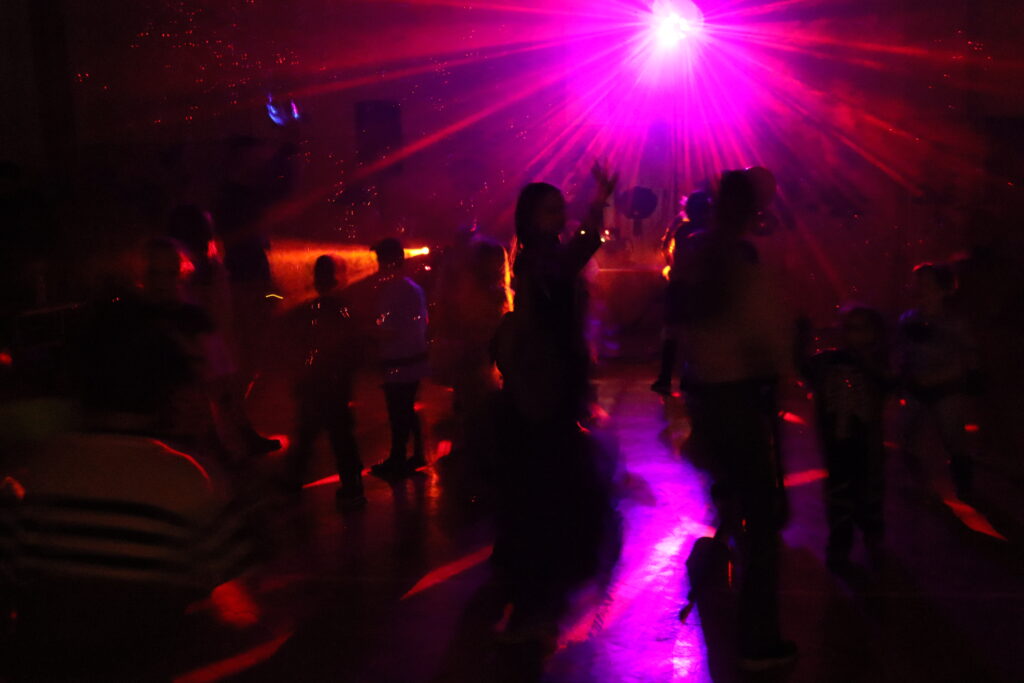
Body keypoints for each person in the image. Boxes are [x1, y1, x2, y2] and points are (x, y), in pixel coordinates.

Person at [0, 295, 251, 679]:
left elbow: (13, 571)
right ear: (165, 389)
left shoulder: (38, 470)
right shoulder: (183, 479)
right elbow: (226, 588)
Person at [491, 161, 620, 646]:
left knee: (547, 483)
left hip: (553, 381)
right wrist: (596, 206)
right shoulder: (537, 261)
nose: (559, 217)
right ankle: (534, 598)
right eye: (550, 211)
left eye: (559, 209)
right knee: (546, 485)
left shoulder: (546, 257)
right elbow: (566, 273)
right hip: (543, 384)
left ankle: (532, 590)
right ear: (530, 217)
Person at [675, 169, 796, 671]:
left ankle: (717, 599)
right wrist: (783, 373)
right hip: (741, 396)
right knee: (763, 519)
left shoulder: (697, 252)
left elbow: (680, 322)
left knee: (731, 494)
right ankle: (757, 639)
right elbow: (764, 331)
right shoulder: (744, 258)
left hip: (705, 393)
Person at [166, 206, 280, 457]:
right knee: (213, 397)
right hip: (203, 341)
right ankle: (221, 448)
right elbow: (203, 305)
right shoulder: (190, 266)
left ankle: (233, 441)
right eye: (206, 227)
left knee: (223, 395)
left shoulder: (205, 263)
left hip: (212, 339)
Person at [797, 306, 891, 571]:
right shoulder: (828, 361)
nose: (853, 334)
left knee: (869, 492)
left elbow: (890, 382)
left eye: (860, 328)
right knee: (839, 495)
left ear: (874, 333)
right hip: (836, 443)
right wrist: (800, 338)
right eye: (848, 327)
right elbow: (804, 368)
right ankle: (840, 547)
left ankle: (873, 540)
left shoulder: (879, 363)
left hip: (867, 444)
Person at [898, 263, 981, 500]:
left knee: (953, 437)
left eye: (926, 283)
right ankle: (918, 483)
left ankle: (964, 486)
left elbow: (969, 352)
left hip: (947, 386)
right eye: (917, 283)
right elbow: (902, 351)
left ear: (943, 289)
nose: (919, 288)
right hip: (917, 385)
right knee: (908, 435)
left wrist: (972, 377)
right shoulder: (908, 319)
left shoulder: (955, 321)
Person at [288, 255, 366, 510]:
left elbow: (304, 348)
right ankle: (352, 486)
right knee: (339, 436)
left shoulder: (314, 310)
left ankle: (293, 481)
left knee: (309, 433)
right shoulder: (343, 310)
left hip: (317, 383)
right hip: (333, 384)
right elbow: (354, 349)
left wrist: (302, 377)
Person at [368, 238, 429, 480]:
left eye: (380, 259)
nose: (378, 265)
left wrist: (372, 332)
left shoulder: (394, 290)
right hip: (412, 358)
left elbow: (388, 327)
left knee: (398, 411)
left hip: (399, 360)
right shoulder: (413, 287)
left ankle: (398, 459)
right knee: (406, 409)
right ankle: (416, 455)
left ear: (390, 260)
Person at [652, 190, 712, 395]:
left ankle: (666, 379)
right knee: (690, 334)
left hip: (681, 285)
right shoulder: (705, 230)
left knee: (673, 334)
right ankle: (686, 379)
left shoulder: (684, 230)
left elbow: (671, 255)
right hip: (694, 286)